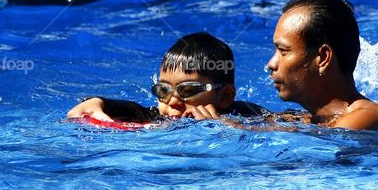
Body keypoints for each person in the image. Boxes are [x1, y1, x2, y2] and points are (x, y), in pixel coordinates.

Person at [266, 0, 378, 130]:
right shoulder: (308, 121)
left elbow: (325, 147)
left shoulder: (372, 116)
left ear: (323, 58)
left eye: (283, 51)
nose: (271, 64)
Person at [67, 32, 269, 122]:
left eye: (188, 90)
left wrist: (230, 128)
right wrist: (96, 102)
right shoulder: (158, 118)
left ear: (225, 97)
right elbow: (131, 110)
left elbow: (296, 124)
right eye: (163, 90)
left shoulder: (247, 116)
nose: (173, 102)